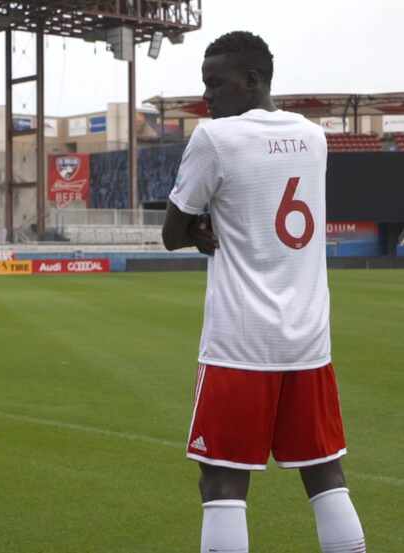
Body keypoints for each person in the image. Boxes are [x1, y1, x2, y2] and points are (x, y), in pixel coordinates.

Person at [162, 31, 366, 553]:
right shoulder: (314, 138)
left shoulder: (215, 138)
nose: (207, 96)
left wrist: (200, 229)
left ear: (252, 80)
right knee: (325, 474)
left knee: (223, 484)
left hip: (240, 343)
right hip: (307, 342)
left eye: (216, 83)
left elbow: (171, 233)